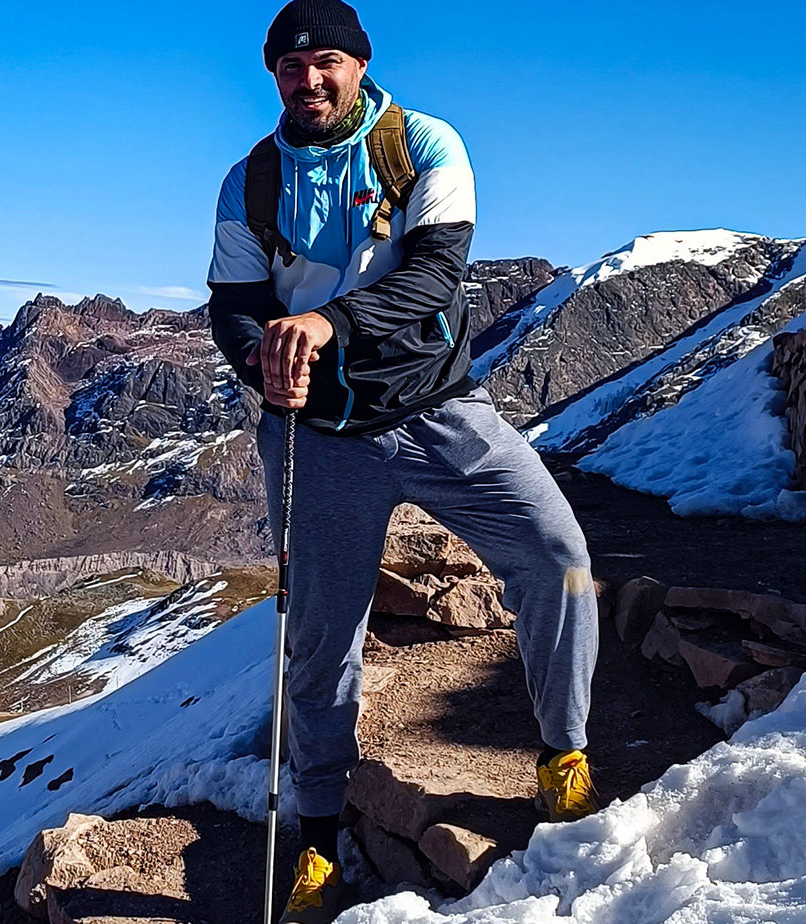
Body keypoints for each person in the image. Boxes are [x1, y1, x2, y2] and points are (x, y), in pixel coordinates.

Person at [206, 1, 600, 919]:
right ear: (273, 77)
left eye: (327, 62)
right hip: (318, 437)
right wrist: (259, 358)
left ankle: (565, 751)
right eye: (290, 69)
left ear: (360, 65)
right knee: (319, 641)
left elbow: (433, 277)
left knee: (556, 559)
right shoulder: (251, 181)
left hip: (439, 411)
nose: (309, 81)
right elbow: (230, 300)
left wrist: (322, 325)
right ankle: (316, 843)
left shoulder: (423, 144)